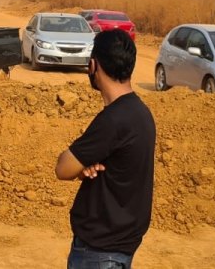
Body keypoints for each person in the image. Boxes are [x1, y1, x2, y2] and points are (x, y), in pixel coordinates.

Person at [55, 30, 155, 269]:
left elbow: (62, 168)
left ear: (93, 66)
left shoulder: (113, 121)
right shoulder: (140, 113)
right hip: (118, 247)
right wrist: (84, 168)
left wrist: (77, 166)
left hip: (99, 253)